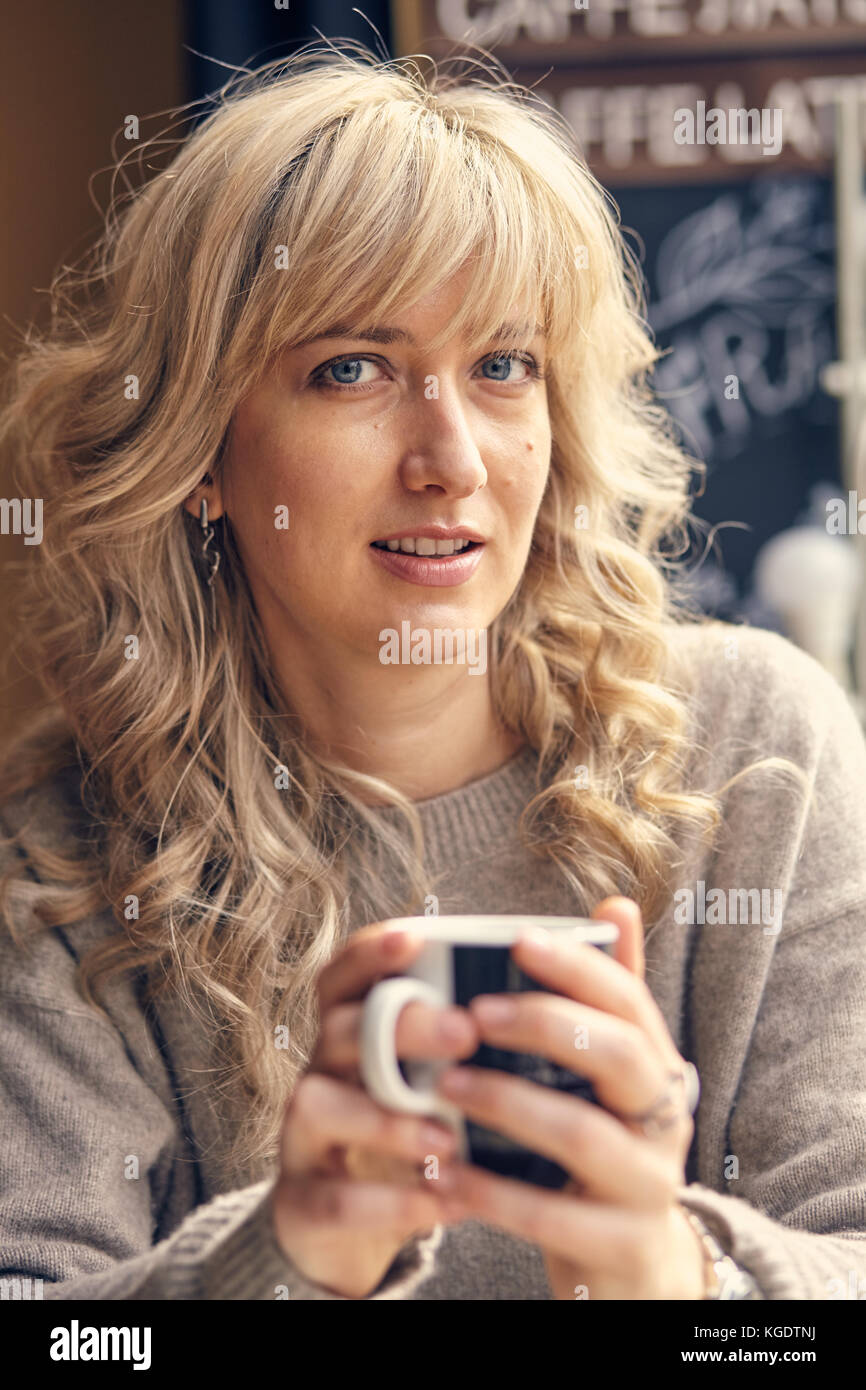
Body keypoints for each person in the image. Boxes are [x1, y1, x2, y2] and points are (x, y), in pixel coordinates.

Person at [1, 41, 865, 1302]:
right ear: (196, 447)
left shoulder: (756, 753)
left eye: (502, 366)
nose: (450, 458)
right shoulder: (64, 861)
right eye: (350, 367)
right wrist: (286, 1255)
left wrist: (676, 1281)